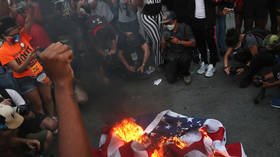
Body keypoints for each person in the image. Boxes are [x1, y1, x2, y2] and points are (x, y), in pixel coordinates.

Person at [39, 42, 92, 157]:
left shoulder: (78, 61)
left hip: (71, 86)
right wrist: (62, 82)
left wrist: (65, 81)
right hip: (63, 88)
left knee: (83, 98)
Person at [0, 16, 55, 117]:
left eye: (17, 33)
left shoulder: (22, 35)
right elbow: (18, 69)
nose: (16, 36)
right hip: (25, 80)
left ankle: (52, 118)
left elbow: (30, 20)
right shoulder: (3, 51)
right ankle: (46, 126)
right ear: (4, 36)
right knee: (38, 105)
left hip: (39, 71)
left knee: (48, 98)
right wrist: (29, 58)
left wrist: (30, 6)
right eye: (12, 35)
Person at [187, 0, 220, 78]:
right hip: (195, 20)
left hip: (207, 20)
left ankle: (212, 65)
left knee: (210, 42)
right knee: (200, 42)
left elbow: (216, 2)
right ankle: (204, 62)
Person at [161, 11, 196, 84]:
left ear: (175, 21)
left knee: (185, 59)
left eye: (169, 23)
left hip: (183, 52)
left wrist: (179, 42)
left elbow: (193, 43)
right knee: (171, 80)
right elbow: (163, 48)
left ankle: (186, 73)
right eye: (165, 23)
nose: (167, 25)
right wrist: (163, 41)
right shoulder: (165, 30)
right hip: (172, 54)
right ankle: (177, 70)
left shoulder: (185, 27)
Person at [138, 0, 164, 68]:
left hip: (159, 13)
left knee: (162, 38)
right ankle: (158, 63)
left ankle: (162, 58)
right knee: (156, 39)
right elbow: (135, 3)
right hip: (147, 16)